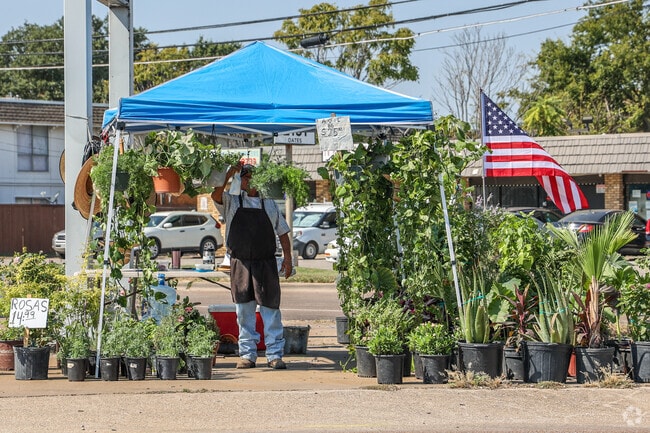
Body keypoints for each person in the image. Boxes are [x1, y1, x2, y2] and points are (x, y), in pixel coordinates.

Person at [211, 163, 293, 370]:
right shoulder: (232, 201)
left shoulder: (269, 204)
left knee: (271, 311)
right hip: (241, 264)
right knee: (243, 312)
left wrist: (288, 258)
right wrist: (229, 175)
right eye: (245, 177)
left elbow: (283, 232)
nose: (247, 181)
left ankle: (275, 355)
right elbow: (216, 196)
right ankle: (248, 355)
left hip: (265, 263)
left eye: (250, 178)